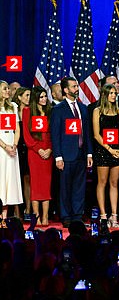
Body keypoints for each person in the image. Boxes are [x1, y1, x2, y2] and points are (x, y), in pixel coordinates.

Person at [50, 76, 93, 227]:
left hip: (81, 154)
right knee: (65, 187)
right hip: (66, 156)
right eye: (74, 87)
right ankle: (66, 216)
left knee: (79, 187)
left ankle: (77, 215)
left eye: (77, 86)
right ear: (66, 90)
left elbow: (87, 132)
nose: (77, 89)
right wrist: (58, 157)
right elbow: (55, 135)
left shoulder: (83, 108)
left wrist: (89, 153)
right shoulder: (58, 109)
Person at [92, 84, 119, 228]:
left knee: (114, 183)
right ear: (105, 95)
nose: (114, 95)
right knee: (102, 182)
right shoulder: (97, 111)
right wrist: (109, 149)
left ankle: (114, 215)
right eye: (111, 93)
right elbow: (96, 134)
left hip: (117, 150)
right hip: (103, 151)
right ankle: (103, 215)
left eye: (115, 93)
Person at [22, 86, 53, 226]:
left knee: (46, 185)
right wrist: (38, 148)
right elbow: (26, 135)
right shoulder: (27, 111)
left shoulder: (50, 111)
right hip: (34, 153)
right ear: (35, 98)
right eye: (41, 97)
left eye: (45, 96)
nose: (44, 99)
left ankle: (45, 217)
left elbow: (54, 133)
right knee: (35, 185)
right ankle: (37, 217)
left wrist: (50, 149)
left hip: (48, 153)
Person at [0, 81, 23, 225]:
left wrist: (14, 145)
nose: (8, 90)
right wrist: (5, 146)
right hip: (1, 149)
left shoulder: (13, 107)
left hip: (12, 150)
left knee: (9, 182)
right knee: (1, 180)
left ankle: (4, 217)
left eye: (8, 88)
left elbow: (17, 129)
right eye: (5, 88)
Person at [12, 87, 31, 219]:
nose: (29, 98)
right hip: (14, 148)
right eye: (26, 95)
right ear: (19, 97)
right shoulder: (12, 110)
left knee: (27, 179)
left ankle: (28, 210)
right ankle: (16, 211)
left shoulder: (31, 111)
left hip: (28, 149)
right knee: (15, 179)